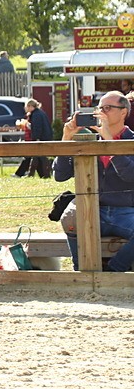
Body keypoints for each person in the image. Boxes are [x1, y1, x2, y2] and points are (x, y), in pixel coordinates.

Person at [53, 92, 134, 271]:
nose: (101, 112)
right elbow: (60, 175)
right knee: (70, 218)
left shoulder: (131, 140)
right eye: (99, 108)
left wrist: (109, 141)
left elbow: (131, 176)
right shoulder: (88, 141)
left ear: (123, 113)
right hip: (92, 209)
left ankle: (113, 271)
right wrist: (66, 138)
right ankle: (81, 271)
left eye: (108, 108)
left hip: (125, 211)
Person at [13, 98, 53, 178]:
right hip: (44, 138)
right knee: (36, 157)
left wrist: (36, 138)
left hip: (40, 139)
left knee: (34, 157)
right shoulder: (40, 113)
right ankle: (42, 175)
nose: (25, 108)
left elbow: (37, 128)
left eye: (26, 106)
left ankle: (22, 173)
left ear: (30, 106)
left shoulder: (36, 114)